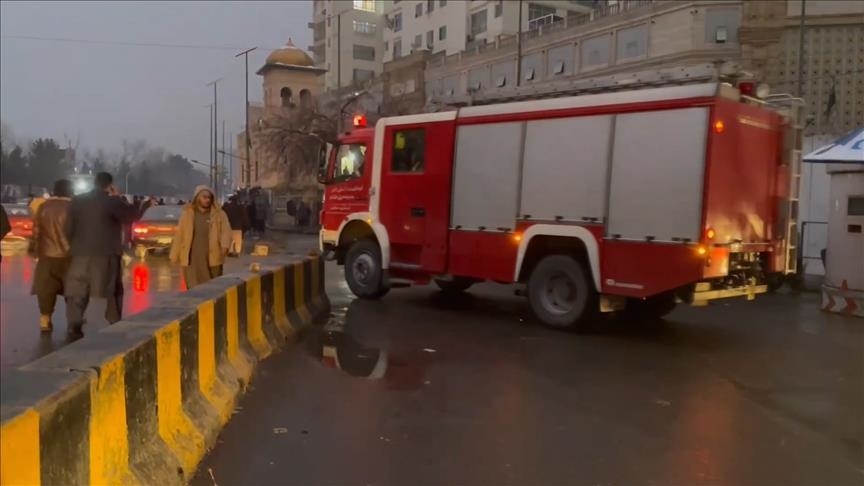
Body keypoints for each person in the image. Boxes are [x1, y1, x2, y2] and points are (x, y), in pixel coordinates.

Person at [64, 172, 151, 340]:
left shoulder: (77, 201)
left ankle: (74, 323)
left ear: (94, 183)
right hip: (106, 254)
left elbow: (68, 228)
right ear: (110, 185)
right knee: (112, 289)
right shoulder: (112, 202)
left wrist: (74, 246)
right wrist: (123, 199)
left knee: (77, 290)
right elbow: (130, 217)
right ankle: (114, 320)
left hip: (80, 253)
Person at [29, 179, 73, 333]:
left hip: (47, 254)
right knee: (73, 290)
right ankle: (73, 320)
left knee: (46, 289)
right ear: (70, 191)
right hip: (70, 256)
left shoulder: (43, 207)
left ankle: (45, 319)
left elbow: (36, 231)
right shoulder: (74, 208)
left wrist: (35, 251)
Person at [170, 186, 231, 289]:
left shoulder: (219, 214)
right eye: (204, 197)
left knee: (212, 287)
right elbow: (180, 235)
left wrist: (224, 246)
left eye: (209, 198)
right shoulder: (188, 214)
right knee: (193, 287)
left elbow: (226, 231)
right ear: (197, 198)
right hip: (191, 259)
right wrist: (174, 255)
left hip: (212, 257)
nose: (207, 200)